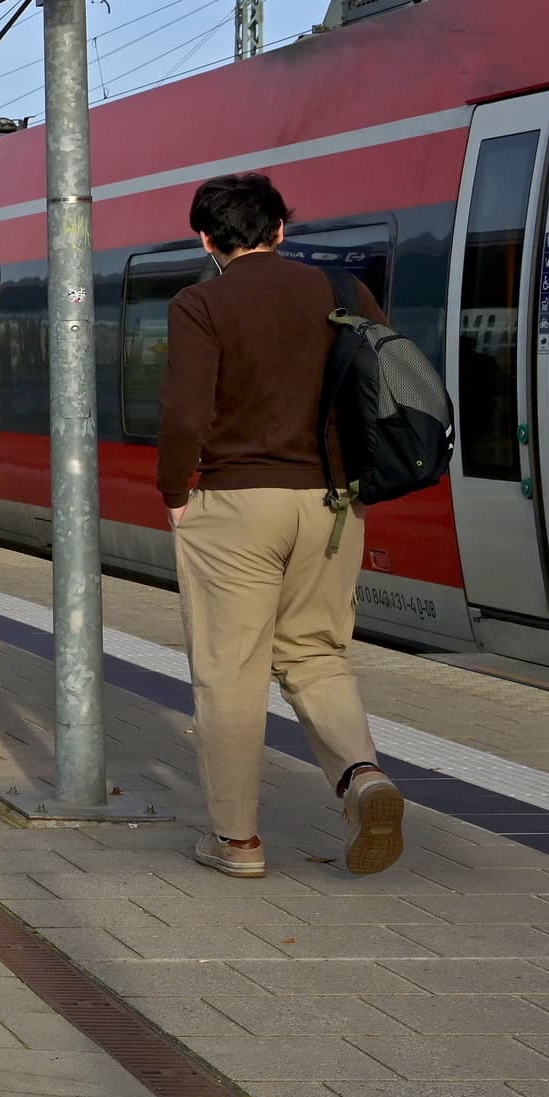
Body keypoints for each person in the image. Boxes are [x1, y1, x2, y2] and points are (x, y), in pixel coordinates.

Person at [158, 169, 406, 878]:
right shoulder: (342, 293)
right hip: (330, 504)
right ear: (280, 230)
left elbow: (183, 414)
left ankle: (236, 842)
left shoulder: (200, 302)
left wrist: (175, 491)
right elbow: (379, 389)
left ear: (205, 238)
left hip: (237, 504)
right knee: (316, 653)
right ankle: (362, 776)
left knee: (230, 671)